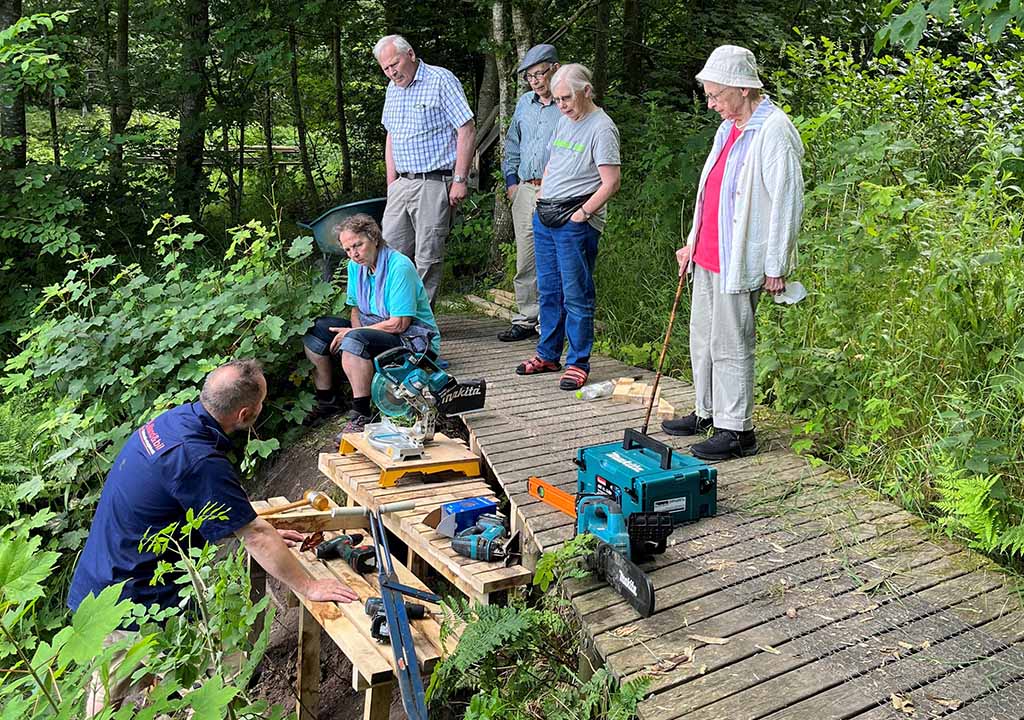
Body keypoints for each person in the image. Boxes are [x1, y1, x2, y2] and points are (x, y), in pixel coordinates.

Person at [68, 359, 358, 715]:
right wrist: (309, 586)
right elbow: (255, 535)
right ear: (246, 412)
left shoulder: (175, 422)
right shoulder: (196, 457)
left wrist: (246, 522)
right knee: (115, 697)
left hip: (108, 572)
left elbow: (196, 504)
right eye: (262, 403)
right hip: (125, 595)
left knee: (149, 683)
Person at [662, 45, 804, 460]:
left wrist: (776, 263)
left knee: (731, 342)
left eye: (715, 95)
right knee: (702, 337)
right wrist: (691, 242)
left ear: (743, 89)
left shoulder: (775, 129)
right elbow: (710, 191)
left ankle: (737, 429)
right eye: (708, 95)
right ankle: (707, 411)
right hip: (707, 253)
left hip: (739, 257)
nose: (711, 105)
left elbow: (787, 201)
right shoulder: (728, 128)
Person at [515, 63, 620, 391]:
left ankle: (578, 362)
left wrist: (584, 213)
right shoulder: (564, 121)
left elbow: (612, 181)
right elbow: (553, 162)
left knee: (576, 294)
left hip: (575, 219)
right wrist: (541, 195)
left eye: (566, 98)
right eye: (557, 99)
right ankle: (547, 353)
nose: (561, 104)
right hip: (545, 214)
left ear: (586, 92)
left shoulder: (601, 128)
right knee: (548, 290)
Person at [303, 214, 441, 435]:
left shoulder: (399, 266)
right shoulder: (355, 266)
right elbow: (356, 309)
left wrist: (354, 332)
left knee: (354, 339)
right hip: (374, 327)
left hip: (413, 338)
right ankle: (327, 401)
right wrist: (355, 329)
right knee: (317, 331)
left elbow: (399, 323)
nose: (354, 254)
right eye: (348, 249)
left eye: (358, 245)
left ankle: (362, 414)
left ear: (375, 238)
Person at [375, 34, 475, 304]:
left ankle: (419, 323)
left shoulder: (441, 80)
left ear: (410, 54)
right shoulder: (392, 88)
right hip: (401, 184)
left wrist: (460, 179)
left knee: (427, 256)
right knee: (390, 253)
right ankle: (394, 316)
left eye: (394, 64)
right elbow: (391, 136)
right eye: (385, 68)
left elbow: (465, 128)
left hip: (434, 182)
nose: (392, 72)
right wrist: (391, 183)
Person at [497, 43, 562, 342]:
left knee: (555, 257)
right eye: (529, 76)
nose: (535, 81)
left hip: (557, 191)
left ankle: (551, 321)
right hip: (524, 189)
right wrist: (511, 182)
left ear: (555, 69)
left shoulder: (566, 103)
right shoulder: (525, 103)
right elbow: (512, 143)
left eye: (539, 74)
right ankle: (526, 318)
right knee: (526, 258)